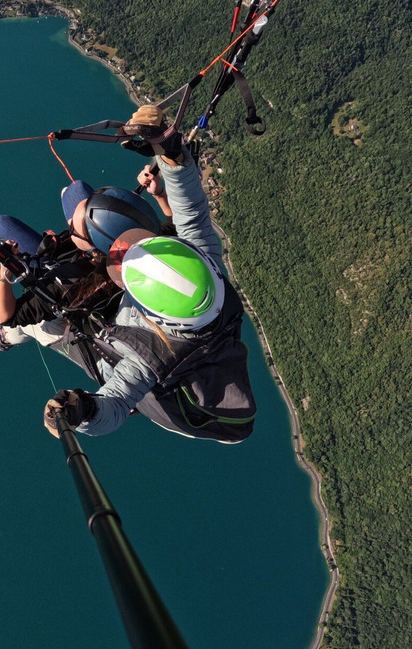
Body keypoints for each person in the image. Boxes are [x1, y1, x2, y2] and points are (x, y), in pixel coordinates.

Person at [43, 105, 257, 443]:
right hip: (197, 345)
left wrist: (82, 411)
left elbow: (114, 404)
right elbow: (191, 206)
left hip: (169, 396)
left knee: (47, 328)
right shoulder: (201, 262)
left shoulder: (151, 356)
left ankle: (8, 334)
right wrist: (170, 152)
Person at [0, 177, 165, 354]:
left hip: (64, 288)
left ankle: (3, 338)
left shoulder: (68, 285)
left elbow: (6, 315)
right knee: (78, 188)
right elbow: (173, 227)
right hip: (77, 259)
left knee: (34, 327)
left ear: (91, 243)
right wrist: (159, 194)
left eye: (73, 228)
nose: (68, 224)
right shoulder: (139, 246)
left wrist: (4, 275)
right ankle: (87, 216)